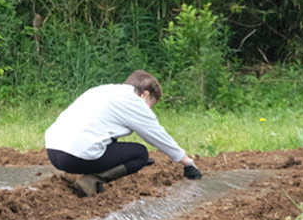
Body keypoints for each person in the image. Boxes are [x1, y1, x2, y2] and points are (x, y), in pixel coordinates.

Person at [45, 70, 203, 197]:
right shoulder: (134, 101)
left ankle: (95, 175)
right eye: (150, 105)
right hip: (75, 157)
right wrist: (187, 162)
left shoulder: (103, 90)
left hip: (53, 151)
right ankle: (90, 181)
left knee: (113, 143)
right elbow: (157, 135)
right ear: (145, 95)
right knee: (140, 153)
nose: (148, 110)